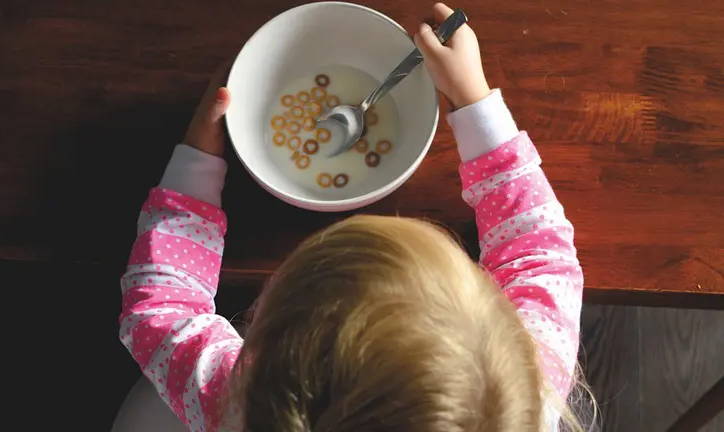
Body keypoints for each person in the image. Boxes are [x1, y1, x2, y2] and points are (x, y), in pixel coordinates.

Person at [118, 3, 594, 431]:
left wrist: (197, 159)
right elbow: (539, 252)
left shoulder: (236, 400)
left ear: (267, 345)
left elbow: (162, 311)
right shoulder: (525, 391)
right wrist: (474, 100)